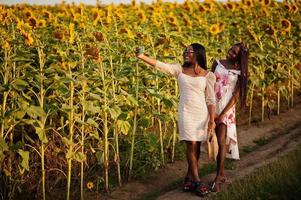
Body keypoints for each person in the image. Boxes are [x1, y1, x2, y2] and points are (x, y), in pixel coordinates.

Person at [136, 43, 216, 196]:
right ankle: (197, 181)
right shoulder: (179, 70)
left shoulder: (208, 75)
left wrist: (212, 120)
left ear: (198, 54)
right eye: (185, 51)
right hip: (186, 112)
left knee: (197, 145)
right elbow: (160, 65)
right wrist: (141, 56)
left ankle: (188, 178)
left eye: (190, 51)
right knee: (191, 144)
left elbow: (211, 100)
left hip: (201, 113)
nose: (186, 53)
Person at [211, 42, 249, 192]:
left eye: (234, 53)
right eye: (230, 50)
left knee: (221, 140)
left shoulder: (241, 71)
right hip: (213, 103)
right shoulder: (217, 62)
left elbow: (235, 95)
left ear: (240, 57)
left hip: (226, 108)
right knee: (210, 138)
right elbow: (209, 82)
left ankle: (218, 177)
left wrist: (221, 114)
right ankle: (220, 173)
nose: (230, 53)